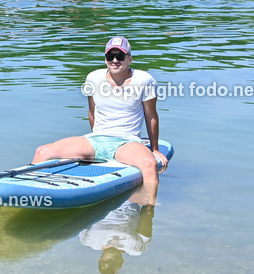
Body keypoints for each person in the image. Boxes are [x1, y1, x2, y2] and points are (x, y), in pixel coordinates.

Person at [33, 36, 167, 205]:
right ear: (105, 59)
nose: (115, 60)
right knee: (42, 152)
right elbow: (92, 112)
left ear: (130, 58)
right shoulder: (93, 78)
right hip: (96, 140)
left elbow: (151, 116)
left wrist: (154, 149)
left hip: (126, 142)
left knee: (149, 164)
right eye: (110, 56)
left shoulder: (144, 80)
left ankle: (149, 209)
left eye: (120, 56)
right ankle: (32, 193)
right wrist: (94, 143)